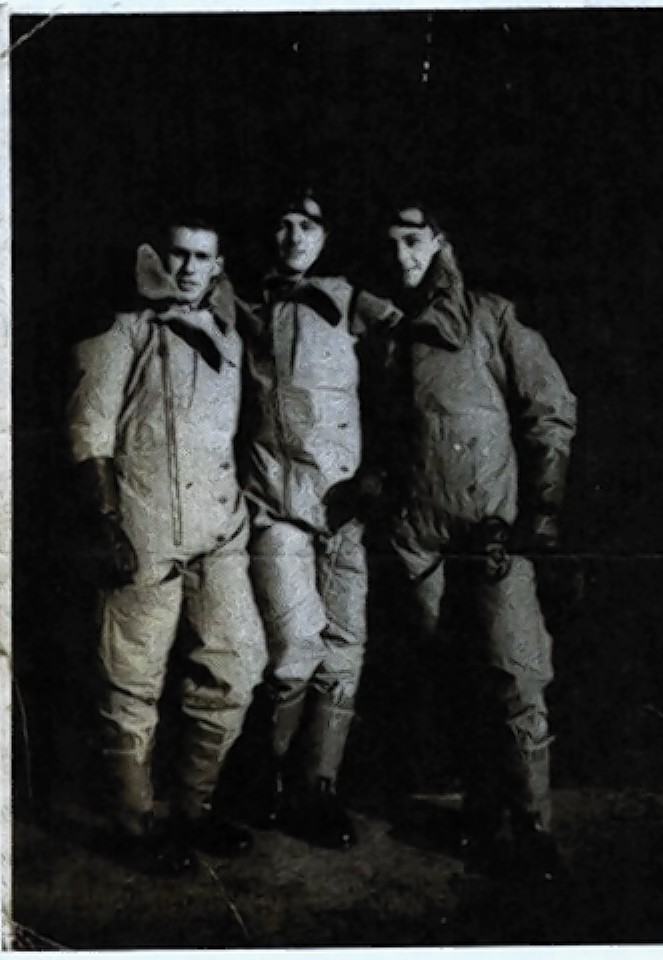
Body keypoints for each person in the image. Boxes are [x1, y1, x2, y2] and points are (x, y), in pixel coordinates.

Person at [67, 213, 268, 874]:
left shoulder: (230, 335)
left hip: (220, 527)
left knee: (237, 663)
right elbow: (88, 432)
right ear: (157, 256)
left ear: (218, 266)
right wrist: (105, 522)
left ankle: (195, 809)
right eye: (177, 254)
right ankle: (134, 823)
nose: (187, 268)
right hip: (144, 527)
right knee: (131, 681)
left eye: (201, 258)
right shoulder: (123, 329)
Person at [383, 203, 577, 875]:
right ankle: (483, 810)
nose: (402, 255)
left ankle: (532, 825)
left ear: (440, 240)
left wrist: (539, 512)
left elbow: (550, 408)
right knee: (453, 677)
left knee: (517, 675)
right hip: (420, 535)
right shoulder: (382, 328)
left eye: (413, 240)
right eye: (390, 244)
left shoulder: (491, 318)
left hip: (492, 530)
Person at [238, 188, 400, 850]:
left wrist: (378, 473)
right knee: (297, 643)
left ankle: (318, 787)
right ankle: (264, 779)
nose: (292, 234)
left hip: (343, 510)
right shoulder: (243, 304)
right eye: (281, 221)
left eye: (307, 223)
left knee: (345, 648)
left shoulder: (354, 302)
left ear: (327, 234)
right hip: (276, 506)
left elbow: (404, 381)